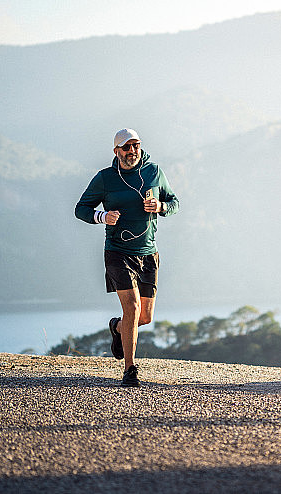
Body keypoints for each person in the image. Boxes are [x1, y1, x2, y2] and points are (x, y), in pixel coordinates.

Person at [75, 128, 179, 387]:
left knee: (144, 317)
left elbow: (174, 201)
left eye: (136, 146)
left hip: (148, 253)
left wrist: (161, 206)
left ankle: (119, 328)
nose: (132, 151)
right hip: (118, 252)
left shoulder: (154, 172)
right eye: (126, 147)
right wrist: (102, 217)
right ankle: (130, 370)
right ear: (116, 152)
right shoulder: (105, 178)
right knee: (131, 308)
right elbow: (81, 208)